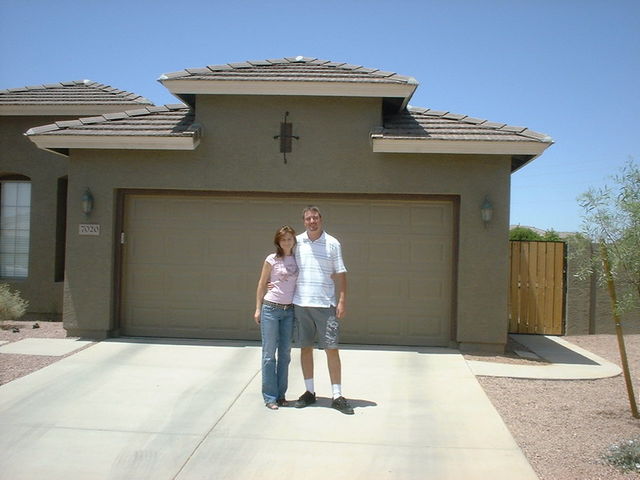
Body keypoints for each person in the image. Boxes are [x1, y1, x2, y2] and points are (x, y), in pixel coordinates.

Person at [292, 206, 354, 415]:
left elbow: (341, 273)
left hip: (326, 305)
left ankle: (337, 395)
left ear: (321, 219)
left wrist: (342, 301)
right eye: (308, 218)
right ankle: (309, 392)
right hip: (301, 304)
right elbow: (286, 266)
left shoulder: (333, 243)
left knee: (332, 349)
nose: (312, 222)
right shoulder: (297, 242)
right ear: (304, 221)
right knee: (305, 348)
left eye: (315, 218)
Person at [254, 225, 298, 410]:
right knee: (269, 355)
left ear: (294, 241)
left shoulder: (298, 259)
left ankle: (281, 395)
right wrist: (258, 308)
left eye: (289, 239)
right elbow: (262, 283)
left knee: (285, 355)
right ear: (278, 241)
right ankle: (270, 397)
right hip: (271, 309)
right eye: (283, 239)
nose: (287, 242)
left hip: (289, 311)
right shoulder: (271, 259)